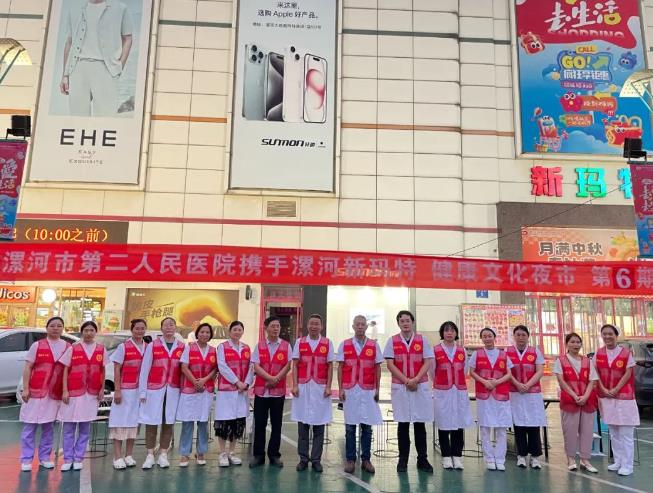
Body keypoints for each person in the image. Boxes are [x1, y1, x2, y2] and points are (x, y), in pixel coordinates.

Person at [60, 0, 133, 116]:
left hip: (106, 68)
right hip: (77, 68)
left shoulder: (121, 8)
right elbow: (69, 42)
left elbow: (128, 38)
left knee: (106, 117)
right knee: (77, 117)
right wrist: (65, 75)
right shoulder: (74, 9)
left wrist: (119, 67)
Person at [383, 310, 434, 473]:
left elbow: (427, 362)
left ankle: (422, 459)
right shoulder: (392, 341)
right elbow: (390, 364)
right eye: (402, 321)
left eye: (408, 320)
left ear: (412, 322)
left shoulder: (422, 340)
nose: (405, 323)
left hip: (419, 385)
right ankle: (403, 460)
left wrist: (416, 379)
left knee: (420, 423)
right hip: (401, 386)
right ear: (398, 323)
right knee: (403, 424)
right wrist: (406, 381)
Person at [19, 316, 71, 472]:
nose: (55, 328)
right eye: (52, 325)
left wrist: (65, 391)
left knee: (48, 427)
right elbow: (28, 367)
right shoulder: (37, 345)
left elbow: (69, 371)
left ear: (63, 329)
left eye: (59, 326)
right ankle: (26, 459)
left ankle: (44, 458)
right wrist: (26, 388)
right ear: (47, 328)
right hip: (35, 391)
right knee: (30, 426)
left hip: (54, 393)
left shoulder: (67, 347)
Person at [59, 320, 108, 471]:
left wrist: (102, 388)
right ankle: (68, 459)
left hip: (91, 393)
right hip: (73, 392)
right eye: (86, 330)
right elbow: (65, 370)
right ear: (82, 332)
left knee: (85, 427)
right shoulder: (73, 348)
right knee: (69, 426)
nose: (89, 333)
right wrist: (65, 390)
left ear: (95, 332)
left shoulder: (101, 349)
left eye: (91, 330)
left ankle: (78, 457)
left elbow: (103, 370)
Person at [337, 315, 383, 475]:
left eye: (363, 324)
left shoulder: (373, 345)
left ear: (366, 327)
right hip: (350, 390)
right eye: (357, 324)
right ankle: (350, 459)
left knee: (367, 426)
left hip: (368, 389)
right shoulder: (345, 344)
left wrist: (377, 389)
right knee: (350, 427)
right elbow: (340, 367)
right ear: (353, 326)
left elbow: (377, 368)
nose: (360, 326)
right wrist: (341, 388)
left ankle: (366, 460)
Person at [138, 317, 185, 469]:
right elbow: (145, 369)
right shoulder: (153, 345)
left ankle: (163, 454)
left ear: (175, 327)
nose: (169, 327)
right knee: (151, 422)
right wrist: (143, 392)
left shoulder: (182, 347)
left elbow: (184, 370)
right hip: (154, 389)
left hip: (173, 389)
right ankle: (150, 454)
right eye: (166, 325)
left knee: (168, 422)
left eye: (172, 324)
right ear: (161, 328)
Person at [594, 324, 639, 476]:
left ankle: (627, 465)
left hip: (624, 397)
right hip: (607, 397)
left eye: (610, 334)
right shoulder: (598, 353)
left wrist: (616, 388)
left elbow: (628, 373)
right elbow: (595, 373)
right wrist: (604, 389)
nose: (607, 336)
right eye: (604, 334)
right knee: (613, 432)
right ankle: (618, 461)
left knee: (625, 432)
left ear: (616, 335)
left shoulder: (626, 353)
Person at [291, 314, 334, 473]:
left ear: (321, 327)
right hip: (303, 388)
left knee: (319, 426)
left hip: (320, 389)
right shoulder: (300, 342)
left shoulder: (327, 343)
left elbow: (330, 366)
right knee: (302, 427)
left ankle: (316, 460)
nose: (314, 326)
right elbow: (295, 364)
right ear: (307, 326)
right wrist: (295, 385)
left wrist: (328, 387)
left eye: (317, 324)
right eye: (311, 323)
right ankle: (303, 459)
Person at [250, 316, 292, 468]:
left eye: (278, 326)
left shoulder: (286, 345)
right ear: (266, 328)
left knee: (277, 424)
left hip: (278, 392)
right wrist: (269, 378)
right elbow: (256, 365)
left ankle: (274, 455)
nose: (276, 329)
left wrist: (276, 379)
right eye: (273, 326)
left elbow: (288, 365)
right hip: (261, 391)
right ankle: (258, 456)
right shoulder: (259, 346)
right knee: (259, 424)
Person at [469, 327, 513, 471]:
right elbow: (472, 372)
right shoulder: (477, 354)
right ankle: (489, 458)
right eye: (484, 336)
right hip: (484, 395)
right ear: (481, 339)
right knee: (485, 427)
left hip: (501, 395)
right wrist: (484, 382)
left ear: (494, 337)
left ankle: (500, 459)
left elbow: (509, 373)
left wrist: (496, 382)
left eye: (489, 336)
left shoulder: (503, 354)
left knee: (501, 427)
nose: (487, 338)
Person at [554, 332, 598, 473]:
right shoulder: (560, 361)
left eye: (578, 342)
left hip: (587, 401)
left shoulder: (587, 361)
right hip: (569, 401)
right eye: (572, 342)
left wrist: (585, 396)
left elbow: (592, 380)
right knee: (570, 431)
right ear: (567, 344)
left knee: (587, 431)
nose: (575, 345)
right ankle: (571, 459)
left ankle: (585, 460)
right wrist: (574, 396)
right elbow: (561, 381)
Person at [432, 321, 474, 470]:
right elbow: (432, 371)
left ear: (456, 333)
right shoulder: (436, 350)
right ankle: (446, 457)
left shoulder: (462, 350)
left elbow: (465, 369)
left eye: (452, 330)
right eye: (446, 330)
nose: (449, 333)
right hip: (442, 391)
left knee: (458, 423)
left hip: (459, 391)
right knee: (444, 423)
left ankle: (457, 456)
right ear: (442, 333)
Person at [108, 318, 147, 470]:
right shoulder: (123, 347)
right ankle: (117, 456)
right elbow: (117, 369)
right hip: (125, 390)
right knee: (119, 422)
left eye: (142, 328)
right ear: (132, 330)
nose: (140, 331)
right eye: (137, 328)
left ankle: (129, 455)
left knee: (134, 422)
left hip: (140, 391)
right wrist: (117, 390)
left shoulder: (147, 347)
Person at [178, 323, 218, 467]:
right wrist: (195, 382)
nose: (205, 334)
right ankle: (184, 454)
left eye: (207, 332)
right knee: (188, 422)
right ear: (197, 333)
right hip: (190, 390)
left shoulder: (213, 350)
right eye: (202, 332)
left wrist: (204, 381)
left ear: (210, 335)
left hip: (206, 390)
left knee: (203, 422)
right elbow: (184, 367)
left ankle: (201, 452)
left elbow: (215, 369)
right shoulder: (189, 348)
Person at [507, 325, 546, 469]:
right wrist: (518, 384)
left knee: (534, 424)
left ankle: (535, 457)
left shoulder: (535, 352)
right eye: (518, 335)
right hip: (515, 392)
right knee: (519, 425)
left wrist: (528, 385)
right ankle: (521, 455)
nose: (520, 337)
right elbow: (506, 371)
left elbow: (540, 371)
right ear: (514, 336)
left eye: (523, 335)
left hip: (532, 394)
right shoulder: (507, 352)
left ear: (528, 337)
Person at [215, 321, 253, 467]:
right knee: (224, 422)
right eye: (235, 329)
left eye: (239, 329)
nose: (237, 332)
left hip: (241, 391)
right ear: (229, 331)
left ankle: (232, 452)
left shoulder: (246, 348)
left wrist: (246, 383)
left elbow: (251, 367)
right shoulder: (222, 347)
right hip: (227, 391)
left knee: (238, 422)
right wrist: (237, 382)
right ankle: (222, 453)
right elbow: (222, 366)